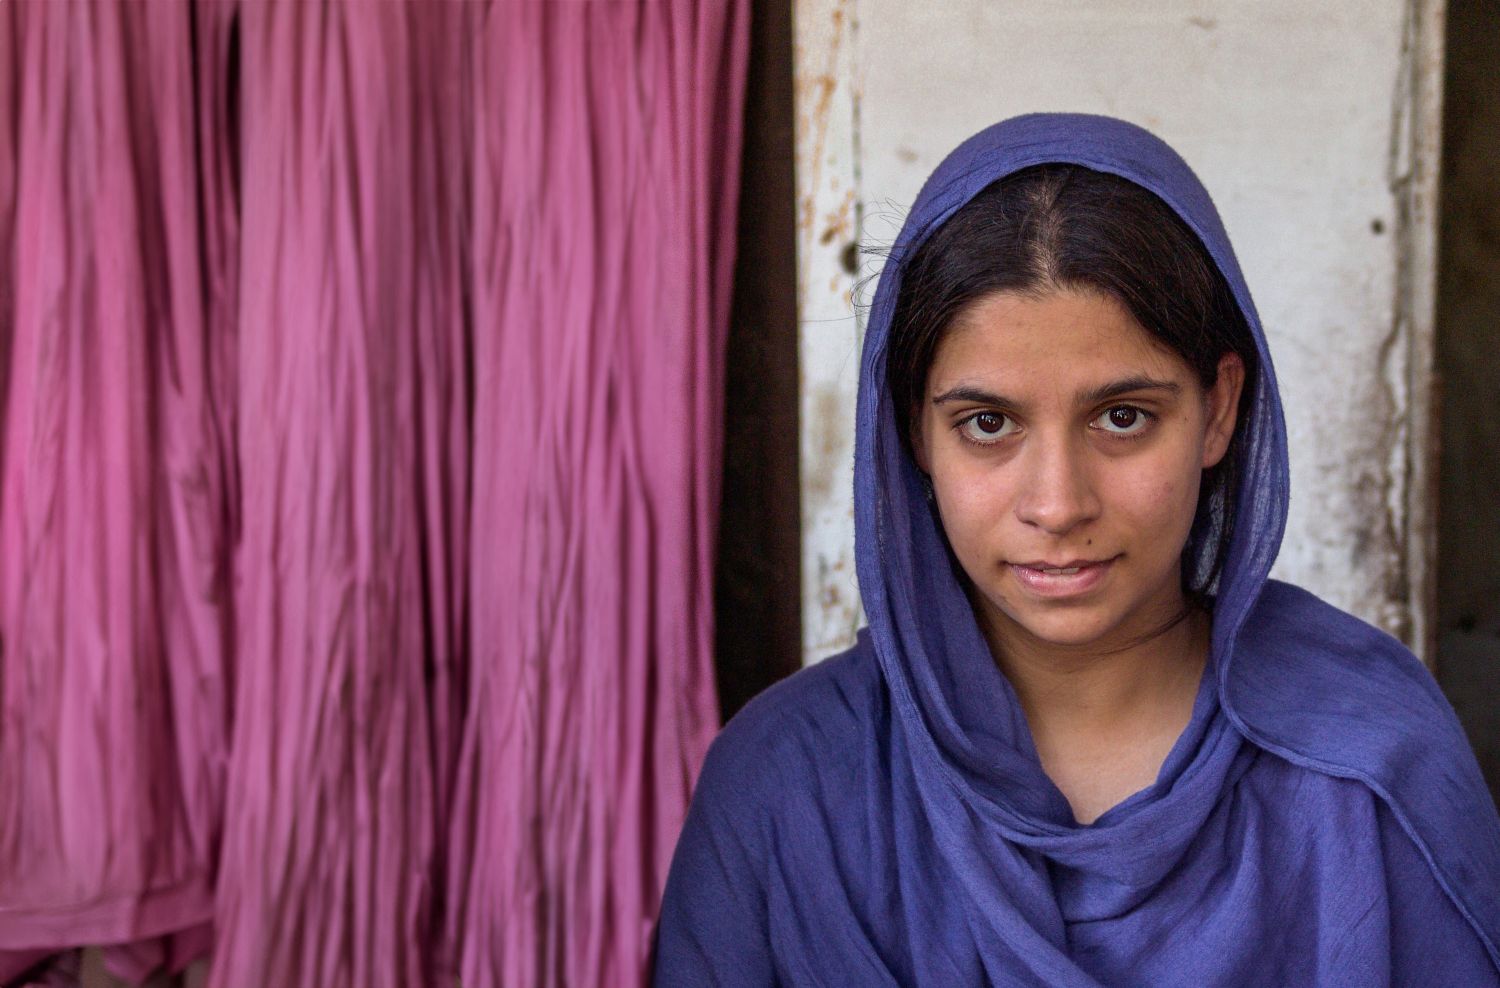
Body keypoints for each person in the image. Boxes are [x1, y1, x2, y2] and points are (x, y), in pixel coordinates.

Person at [652, 114, 1500, 986]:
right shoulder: (786, 790)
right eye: (987, 424)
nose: (1057, 504)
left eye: (1122, 418)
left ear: (1217, 410)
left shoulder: (1369, 773)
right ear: (913, 431)